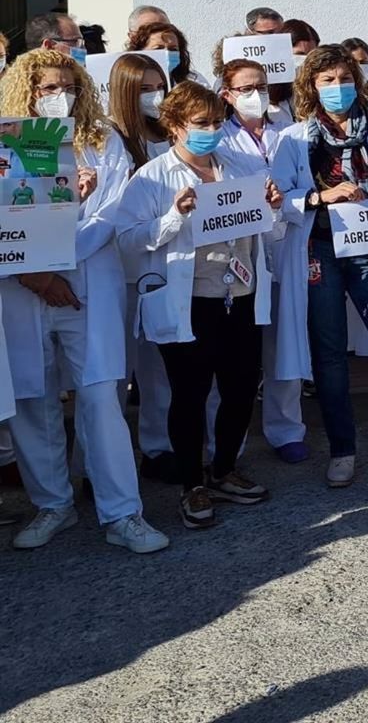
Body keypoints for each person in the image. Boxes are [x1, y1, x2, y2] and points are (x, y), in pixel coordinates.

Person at [1, 49, 168, 553]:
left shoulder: (103, 141)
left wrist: (56, 262)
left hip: (87, 281)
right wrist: (36, 272)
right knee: (34, 397)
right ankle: (53, 504)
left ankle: (122, 513)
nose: (60, 97)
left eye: (68, 87)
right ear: (25, 92)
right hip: (20, 284)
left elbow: (110, 214)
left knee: (99, 397)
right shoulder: (6, 142)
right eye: (48, 88)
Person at [118, 81, 284, 529]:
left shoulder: (241, 165)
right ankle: (191, 483)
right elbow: (128, 243)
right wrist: (174, 217)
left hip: (241, 296)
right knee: (189, 395)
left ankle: (224, 469)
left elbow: (270, 235)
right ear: (173, 125)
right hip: (189, 302)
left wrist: (273, 209)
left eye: (215, 122)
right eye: (200, 124)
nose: (210, 131)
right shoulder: (153, 177)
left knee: (241, 387)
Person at [270, 44, 368, 490]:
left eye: (344, 79)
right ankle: (343, 450)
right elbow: (277, 201)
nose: (338, 88)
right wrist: (321, 196)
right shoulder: (294, 138)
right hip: (320, 251)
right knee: (330, 355)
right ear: (312, 87)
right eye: (327, 81)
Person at [217, 57, 306, 462]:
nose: (256, 95)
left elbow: (304, 188)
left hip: (287, 245)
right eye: (245, 89)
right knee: (235, 351)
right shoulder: (216, 139)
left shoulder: (291, 134)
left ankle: (286, 429)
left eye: (262, 87)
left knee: (284, 341)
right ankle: (224, 445)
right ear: (227, 95)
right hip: (240, 252)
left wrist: (282, 202)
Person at [104, 52, 182, 478]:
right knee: (117, 373)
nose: (155, 96)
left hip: (163, 267)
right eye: (145, 89)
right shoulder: (112, 138)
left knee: (158, 369)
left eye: (159, 87)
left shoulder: (170, 136)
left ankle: (157, 447)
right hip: (119, 269)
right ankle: (108, 463)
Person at [129, 20, 201, 87]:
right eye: (158, 48)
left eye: (173, 49)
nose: (167, 53)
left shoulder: (193, 84)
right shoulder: (127, 86)